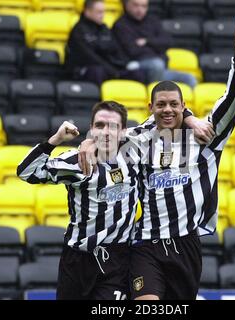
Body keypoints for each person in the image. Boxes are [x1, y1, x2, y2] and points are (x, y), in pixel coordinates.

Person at [79, 15, 235, 300]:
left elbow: (231, 101)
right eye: (161, 105)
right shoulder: (138, 139)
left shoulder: (205, 138)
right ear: (150, 107)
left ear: (184, 105)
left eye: (175, 105)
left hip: (187, 247)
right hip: (145, 245)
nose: (168, 110)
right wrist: (87, 144)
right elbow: (105, 136)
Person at [17, 101, 143, 300]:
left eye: (113, 127)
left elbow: (164, 116)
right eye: (100, 126)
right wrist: (56, 139)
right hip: (77, 259)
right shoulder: (77, 162)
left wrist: (189, 117)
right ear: (91, 129)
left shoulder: (136, 156)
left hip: (118, 260)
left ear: (124, 131)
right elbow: (26, 172)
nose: (106, 132)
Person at [112, 0, 197, 87]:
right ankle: (156, 96)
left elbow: (167, 41)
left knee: (190, 78)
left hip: (160, 68)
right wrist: (156, 46)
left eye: (144, 6)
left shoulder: (152, 21)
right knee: (157, 64)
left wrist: (147, 41)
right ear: (126, 5)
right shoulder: (120, 25)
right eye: (136, 5)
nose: (140, 9)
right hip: (137, 68)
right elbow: (132, 51)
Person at [65, 0, 145, 85]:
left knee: (137, 73)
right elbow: (89, 56)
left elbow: (116, 50)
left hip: (110, 68)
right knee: (97, 72)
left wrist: (125, 64)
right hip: (86, 69)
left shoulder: (104, 29)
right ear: (87, 11)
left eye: (103, 12)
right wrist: (111, 70)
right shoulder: (78, 31)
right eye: (99, 12)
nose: (102, 15)